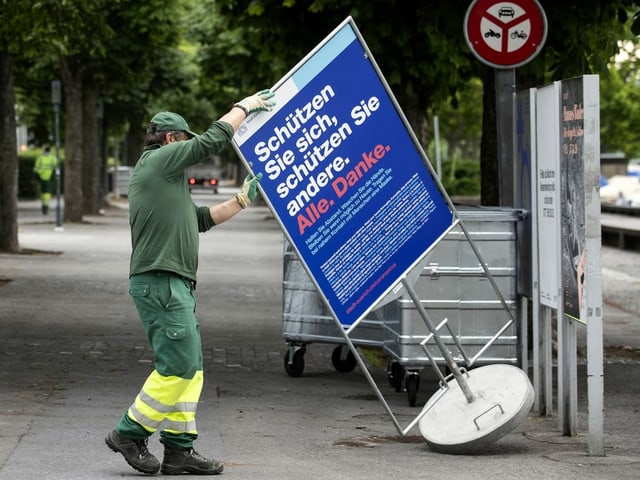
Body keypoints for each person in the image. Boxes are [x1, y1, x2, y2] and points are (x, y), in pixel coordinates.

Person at [105, 89, 276, 476]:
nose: (188, 148)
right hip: (160, 282)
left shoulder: (166, 180)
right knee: (177, 367)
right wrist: (244, 107)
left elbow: (197, 221)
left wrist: (238, 203)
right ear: (171, 139)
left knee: (191, 369)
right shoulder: (161, 160)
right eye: (186, 140)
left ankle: (179, 450)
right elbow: (213, 139)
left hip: (174, 284)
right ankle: (128, 433)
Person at [33, 146, 56, 214]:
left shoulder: (40, 158)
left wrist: (35, 177)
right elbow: (56, 167)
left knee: (43, 192)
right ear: (50, 151)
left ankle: (44, 205)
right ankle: (46, 206)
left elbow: (36, 169)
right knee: (47, 192)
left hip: (41, 177)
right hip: (49, 177)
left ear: (44, 151)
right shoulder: (53, 158)